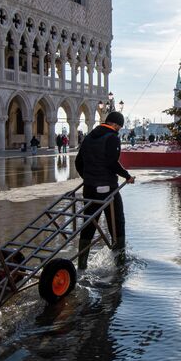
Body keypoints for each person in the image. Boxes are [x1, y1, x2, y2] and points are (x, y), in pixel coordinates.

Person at [75, 111, 135, 270]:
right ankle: (119, 262)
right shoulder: (112, 137)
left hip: (89, 188)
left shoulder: (88, 137)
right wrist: (127, 176)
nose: (118, 130)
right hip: (108, 189)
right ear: (115, 125)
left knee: (89, 223)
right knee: (117, 222)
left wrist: (88, 178)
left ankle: (82, 265)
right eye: (119, 127)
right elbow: (112, 163)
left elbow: (78, 162)